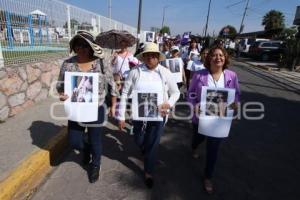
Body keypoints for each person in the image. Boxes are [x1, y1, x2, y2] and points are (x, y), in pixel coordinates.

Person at [56, 30, 117, 183]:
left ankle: (96, 165)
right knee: (74, 141)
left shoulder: (101, 63)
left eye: (85, 45)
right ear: (74, 47)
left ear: (91, 47)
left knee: (95, 139)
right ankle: (86, 149)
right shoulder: (68, 64)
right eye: (78, 45)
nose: (81, 48)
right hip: (76, 109)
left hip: (97, 108)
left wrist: (114, 105)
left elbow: (112, 84)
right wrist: (63, 94)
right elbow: (60, 86)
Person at [117, 42, 180, 188]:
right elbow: (125, 92)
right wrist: (121, 116)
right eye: (148, 55)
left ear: (158, 57)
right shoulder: (135, 72)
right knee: (138, 139)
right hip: (138, 115)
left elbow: (175, 92)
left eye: (154, 55)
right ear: (143, 57)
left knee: (152, 145)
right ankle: (145, 149)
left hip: (158, 115)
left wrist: (168, 103)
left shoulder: (165, 72)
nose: (151, 58)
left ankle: (148, 172)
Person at [188, 46, 240, 194]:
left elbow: (236, 94)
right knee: (198, 138)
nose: (218, 58)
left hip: (220, 119)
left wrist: (235, 104)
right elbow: (191, 93)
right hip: (200, 117)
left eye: (221, 55)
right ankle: (194, 146)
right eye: (215, 55)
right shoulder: (199, 75)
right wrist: (194, 105)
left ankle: (208, 176)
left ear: (225, 58)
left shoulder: (232, 76)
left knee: (213, 149)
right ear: (209, 58)